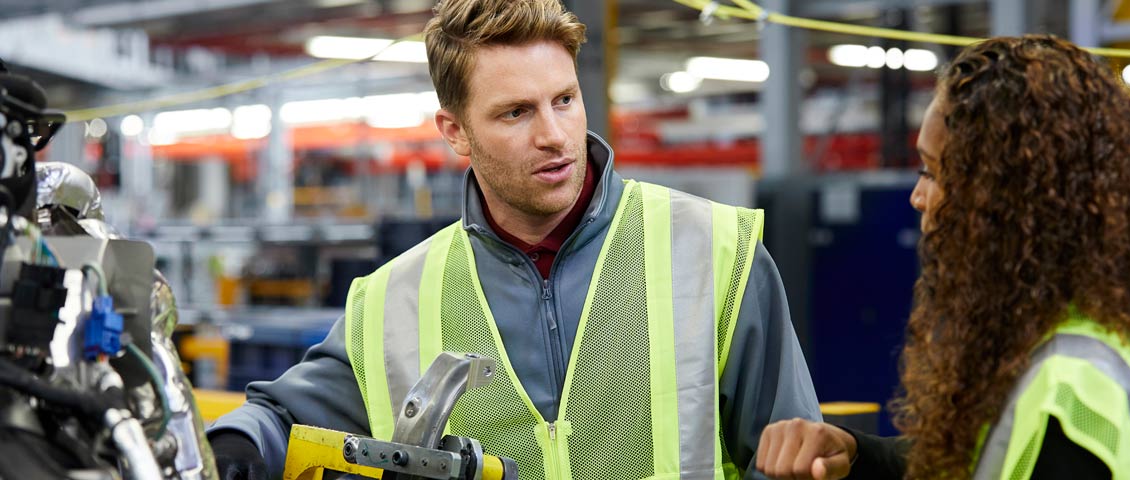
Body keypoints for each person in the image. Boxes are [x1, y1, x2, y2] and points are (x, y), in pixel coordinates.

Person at [207, 0, 822, 478]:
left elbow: (795, 458)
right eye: (516, 112)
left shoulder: (713, 251)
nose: (555, 135)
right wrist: (235, 442)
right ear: (456, 132)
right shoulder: (395, 297)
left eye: (565, 99)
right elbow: (285, 419)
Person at [756, 35, 1130, 480]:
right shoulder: (1100, 338)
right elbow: (978, 457)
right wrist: (855, 452)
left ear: (1002, 201)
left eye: (932, 171)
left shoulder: (1068, 400)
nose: (917, 196)